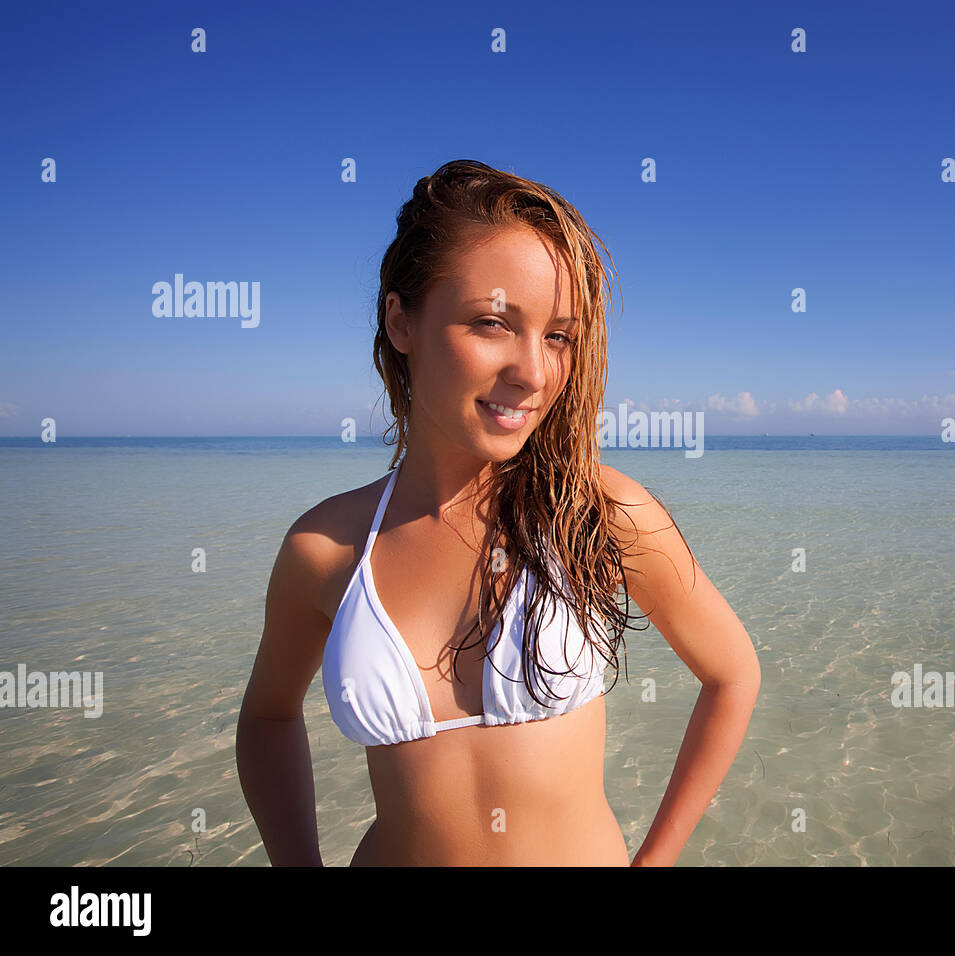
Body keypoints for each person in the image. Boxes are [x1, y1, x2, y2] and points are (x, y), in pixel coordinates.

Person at [236, 159, 761, 866]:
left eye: (557, 336)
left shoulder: (598, 514)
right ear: (401, 321)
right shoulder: (327, 548)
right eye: (491, 323)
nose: (534, 372)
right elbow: (268, 719)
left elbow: (731, 676)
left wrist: (654, 863)